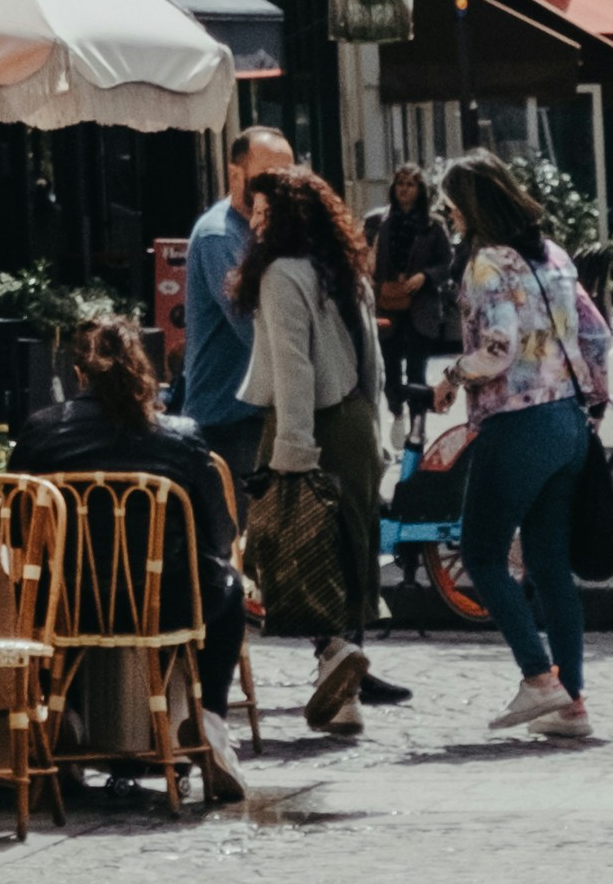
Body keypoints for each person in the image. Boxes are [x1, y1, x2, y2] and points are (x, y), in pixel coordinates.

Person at [27, 310, 249, 804]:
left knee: (30, 591)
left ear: (79, 374)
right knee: (229, 587)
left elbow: (20, 530)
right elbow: (219, 535)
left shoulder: (42, 432)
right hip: (163, 605)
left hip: (67, 604)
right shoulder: (182, 434)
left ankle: (62, 713)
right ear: (141, 372)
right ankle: (210, 720)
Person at [437, 156, 604, 747]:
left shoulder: (487, 263)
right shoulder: (554, 255)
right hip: (569, 424)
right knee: (550, 566)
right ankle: (573, 703)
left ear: (470, 208)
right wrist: (595, 401)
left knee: (482, 554)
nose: (449, 219)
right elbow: (598, 335)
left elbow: (499, 347)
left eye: (451, 208)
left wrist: (453, 375)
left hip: (518, 422)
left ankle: (538, 678)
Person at [239, 169, 396, 730]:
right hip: (354, 420)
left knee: (294, 549)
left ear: (282, 218)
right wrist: (377, 433)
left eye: (260, 213)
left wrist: (293, 453)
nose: (253, 223)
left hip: (307, 424)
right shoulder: (346, 270)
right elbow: (374, 363)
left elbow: (293, 367)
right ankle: (344, 688)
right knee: (347, 547)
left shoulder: (281, 274)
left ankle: (333, 655)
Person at [178, 135, 288, 477]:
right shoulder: (220, 235)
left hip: (257, 415)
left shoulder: (269, 231)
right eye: (268, 175)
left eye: (287, 177)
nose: (279, 187)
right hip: (228, 422)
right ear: (235, 175)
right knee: (240, 529)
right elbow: (254, 328)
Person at [369, 159, 464, 406]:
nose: (404, 189)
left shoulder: (433, 225)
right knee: (390, 371)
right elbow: (369, 261)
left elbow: (448, 264)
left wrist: (425, 277)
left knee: (416, 372)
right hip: (388, 303)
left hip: (421, 308)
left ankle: (417, 430)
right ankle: (397, 413)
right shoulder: (382, 223)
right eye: (400, 184)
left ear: (420, 190)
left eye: (411, 184)